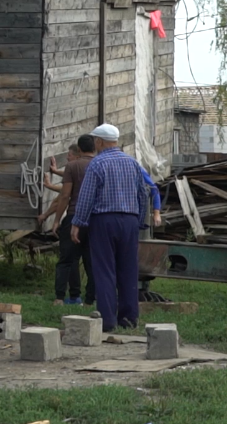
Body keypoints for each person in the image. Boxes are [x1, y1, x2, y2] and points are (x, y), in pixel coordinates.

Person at [71, 124, 148, 333]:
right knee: (128, 269)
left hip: (104, 220)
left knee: (104, 270)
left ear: (99, 142)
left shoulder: (97, 164)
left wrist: (78, 223)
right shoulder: (132, 163)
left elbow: (86, 197)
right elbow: (143, 194)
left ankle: (107, 320)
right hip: (130, 220)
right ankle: (129, 319)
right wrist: (140, 221)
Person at [37, 135, 97, 306]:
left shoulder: (72, 166)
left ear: (79, 149)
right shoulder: (101, 164)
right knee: (91, 261)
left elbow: (64, 195)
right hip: (94, 219)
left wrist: (56, 220)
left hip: (74, 216)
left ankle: (60, 298)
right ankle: (90, 300)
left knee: (66, 260)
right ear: (95, 147)